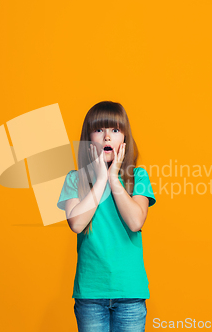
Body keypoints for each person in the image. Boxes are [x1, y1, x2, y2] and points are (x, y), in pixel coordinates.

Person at [57, 101, 157, 331]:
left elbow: (135, 222)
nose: (107, 137)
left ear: (124, 138)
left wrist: (114, 178)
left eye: (115, 130)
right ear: (88, 138)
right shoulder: (75, 179)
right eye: (99, 130)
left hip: (130, 292)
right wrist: (101, 178)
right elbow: (77, 223)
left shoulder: (137, 177)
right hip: (91, 294)